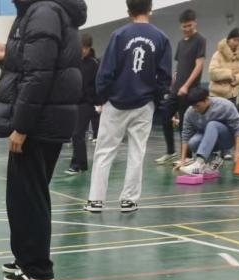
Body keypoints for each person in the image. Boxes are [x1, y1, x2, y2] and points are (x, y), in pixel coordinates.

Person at [0, 0, 87, 280]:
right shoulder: (43, 12)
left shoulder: (44, 12)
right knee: (26, 194)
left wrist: (22, 126)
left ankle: (37, 267)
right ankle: (27, 259)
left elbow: (39, 75)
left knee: (28, 196)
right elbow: (34, 62)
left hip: (39, 123)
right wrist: (6, 53)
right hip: (45, 118)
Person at [84, 0, 171, 214]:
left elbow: (105, 72)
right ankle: (129, 200)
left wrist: (103, 97)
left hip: (116, 102)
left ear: (128, 11)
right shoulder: (161, 38)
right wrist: (154, 99)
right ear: (150, 8)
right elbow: (165, 77)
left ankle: (96, 200)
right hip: (144, 104)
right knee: (136, 152)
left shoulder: (119, 35)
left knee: (104, 151)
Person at [155, 8, 206, 164]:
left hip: (190, 90)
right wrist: (174, 83)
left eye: (189, 25)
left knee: (185, 123)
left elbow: (199, 65)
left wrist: (186, 86)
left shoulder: (200, 40)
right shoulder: (180, 43)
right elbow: (179, 66)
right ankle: (171, 152)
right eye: (184, 26)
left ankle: (188, 157)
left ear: (195, 23)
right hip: (176, 89)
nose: (187, 29)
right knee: (165, 115)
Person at [177, 86, 239, 174]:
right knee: (193, 142)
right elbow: (186, 135)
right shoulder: (190, 112)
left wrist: (237, 152)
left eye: (197, 106)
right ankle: (215, 159)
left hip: (226, 139)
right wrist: (182, 161)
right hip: (207, 139)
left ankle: (199, 163)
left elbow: (238, 128)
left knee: (212, 124)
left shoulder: (225, 105)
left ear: (206, 100)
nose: (195, 109)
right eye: (193, 106)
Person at [67, 32, 100, 175]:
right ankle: (81, 164)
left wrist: (98, 102)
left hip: (87, 103)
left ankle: (77, 165)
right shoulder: (73, 61)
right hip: (74, 102)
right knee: (76, 134)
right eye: (81, 47)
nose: (83, 50)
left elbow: (97, 84)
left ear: (89, 48)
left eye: (86, 48)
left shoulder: (94, 64)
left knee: (77, 134)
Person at [209, 28, 239, 103]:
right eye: (234, 40)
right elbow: (212, 73)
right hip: (217, 95)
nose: (236, 43)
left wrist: (236, 78)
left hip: (234, 95)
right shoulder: (218, 54)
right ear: (228, 39)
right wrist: (229, 74)